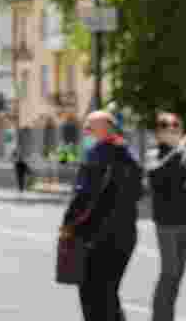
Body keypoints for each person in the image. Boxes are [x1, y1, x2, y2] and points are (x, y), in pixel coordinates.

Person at [62, 110, 142, 321]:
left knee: (91, 295)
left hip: (96, 236)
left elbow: (84, 196)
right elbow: (139, 192)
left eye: (90, 128)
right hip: (125, 235)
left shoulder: (98, 155)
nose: (86, 132)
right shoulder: (130, 155)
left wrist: (68, 225)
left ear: (105, 129)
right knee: (109, 293)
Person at [146, 111, 186, 321]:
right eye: (167, 128)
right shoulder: (155, 155)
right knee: (169, 272)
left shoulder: (184, 154)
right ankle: (159, 318)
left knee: (177, 277)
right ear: (158, 134)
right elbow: (156, 174)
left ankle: (166, 316)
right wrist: (179, 150)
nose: (172, 131)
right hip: (166, 223)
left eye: (176, 128)